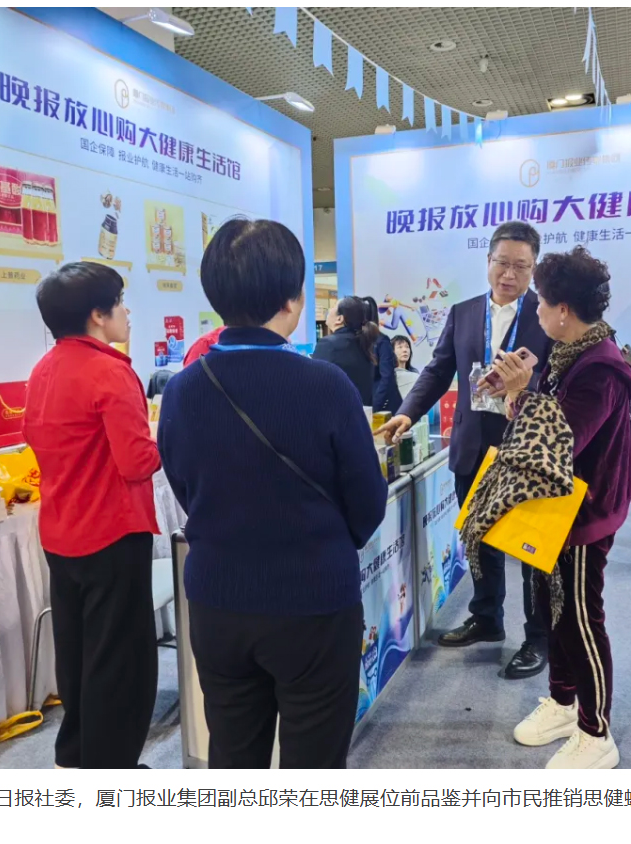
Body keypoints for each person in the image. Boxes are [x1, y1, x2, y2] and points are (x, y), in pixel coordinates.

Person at [158, 219, 387, 769]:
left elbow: (183, 484)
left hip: (217, 598)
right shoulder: (326, 385)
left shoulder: (183, 389)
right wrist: (330, 540)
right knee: (314, 763)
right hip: (314, 598)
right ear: (293, 298)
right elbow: (367, 502)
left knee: (234, 757)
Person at [468, 246, 631, 769]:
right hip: (554, 510)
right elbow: (546, 422)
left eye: (541, 301)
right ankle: (564, 703)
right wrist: (516, 391)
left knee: (581, 619)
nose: (536, 309)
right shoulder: (570, 352)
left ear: (563, 309)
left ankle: (596, 732)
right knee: (552, 609)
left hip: (584, 514)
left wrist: (522, 394)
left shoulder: (600, 367)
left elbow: (559, 440)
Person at [378, 221, 554, 679]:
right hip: (472, 446)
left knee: (532, 552)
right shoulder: (464, 312)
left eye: (521, 266)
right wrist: (407, 413)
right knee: (479, 540)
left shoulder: (548, 315)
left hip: (525, 452)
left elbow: (560, 381)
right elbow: (438, 371)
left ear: (533, 269)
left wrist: (525, 381)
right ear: (488, 261)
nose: (509, 274)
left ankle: (538, 637)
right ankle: (487, 617)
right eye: (502, 263)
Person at [24, 262, 162, 770]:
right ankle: (111, 768)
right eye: (120, 302)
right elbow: (137, 462)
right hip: (112, 530)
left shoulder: (43, 370)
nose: (126, 312)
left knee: (78, 651)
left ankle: (77, 755)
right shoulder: (110, 371)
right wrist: (166, 437)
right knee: (120, 659)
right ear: (98, 315)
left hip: (61, 531)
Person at [312, 296, 380, 407]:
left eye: (333, 306)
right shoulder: (365, 345)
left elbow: (314, 385)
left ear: (339, 319)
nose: (329, 310)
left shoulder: (328, 344)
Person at [363, 296, 400, 414]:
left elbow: (387, 376)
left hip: (384, 405)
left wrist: (375, 406)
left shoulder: (381, 340)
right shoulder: (357, 340)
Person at [392, 334, 419, 400]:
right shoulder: (387, 376)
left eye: (407, 347)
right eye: (400, 347)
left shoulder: (415, 373)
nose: (405, 350)